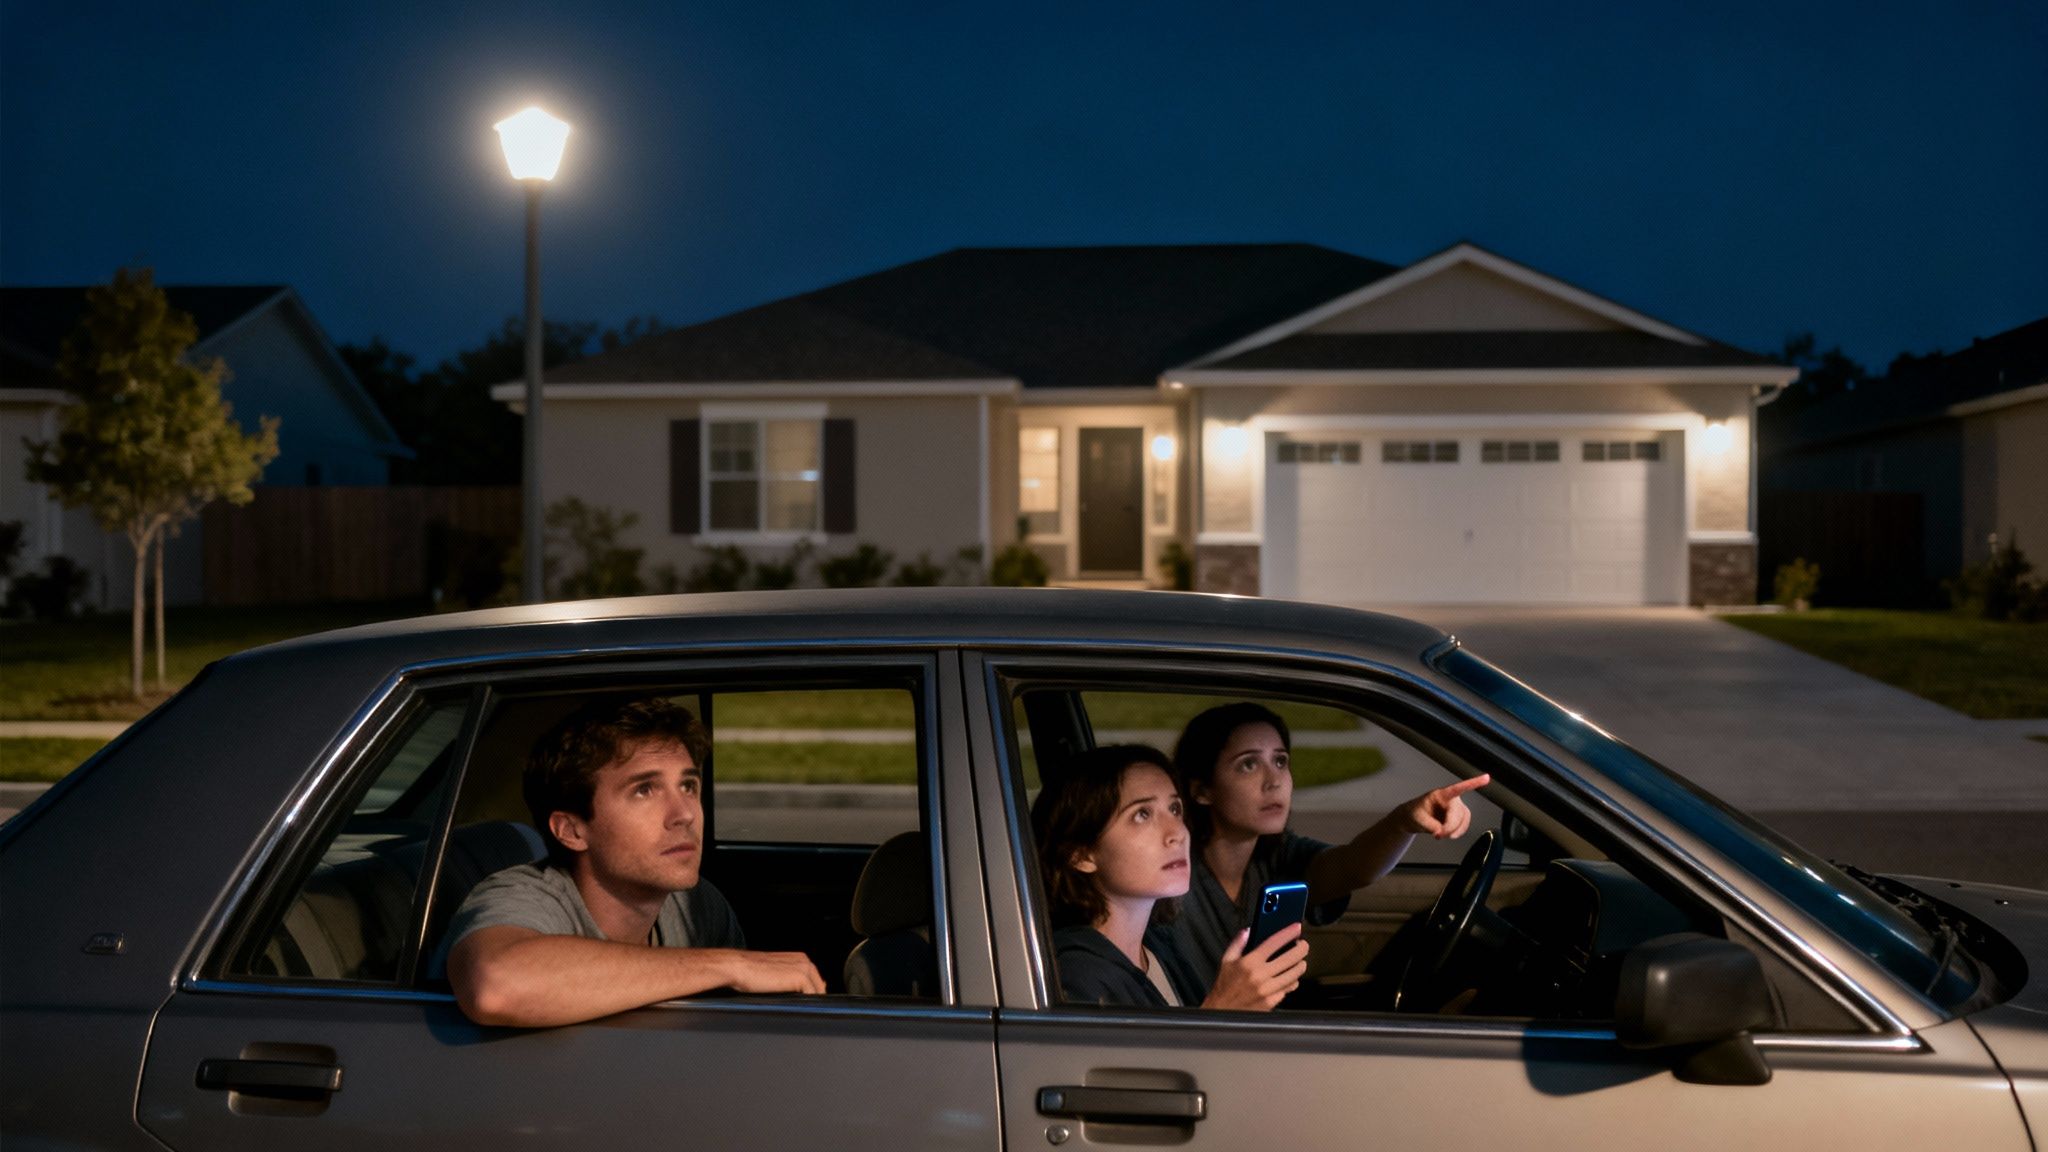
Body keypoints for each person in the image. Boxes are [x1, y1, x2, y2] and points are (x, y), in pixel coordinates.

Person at [442, 696, 825, 1027]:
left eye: (688, 785)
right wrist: (730, 965)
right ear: (572, 831)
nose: (685, 814)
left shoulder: (695, 904)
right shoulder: (521, 895)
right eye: (645, 790)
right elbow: (495, 986)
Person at [1165, 702, 1489, 993]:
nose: (1274, 780)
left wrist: (1405, 822)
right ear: (1201, 790)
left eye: (1280, 761)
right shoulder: (1168, 874)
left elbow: (1351, 867)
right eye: (1248, 765)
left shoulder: (1278, 855)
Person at [1033, 743, 1309, 1011]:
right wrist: (1222, 1009)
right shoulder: (1077, 978)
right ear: (1082, 855)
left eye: (1175, 809)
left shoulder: (1159, 948)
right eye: (1142, 814)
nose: (1177, 832)